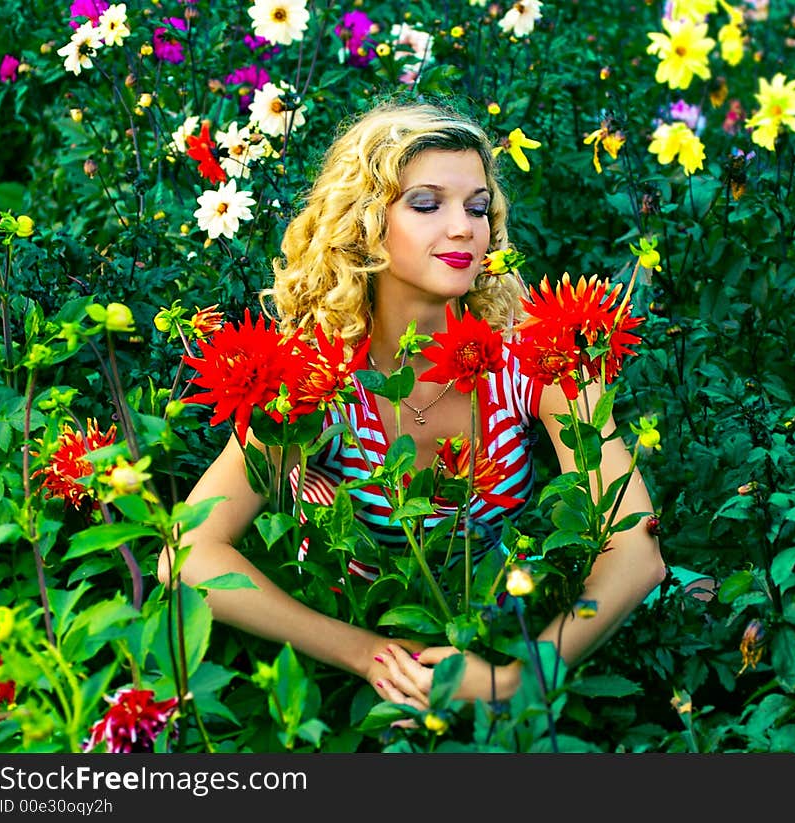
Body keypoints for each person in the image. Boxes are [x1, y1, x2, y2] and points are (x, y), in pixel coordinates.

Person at [158, 100, 667, 711]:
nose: (463, 228)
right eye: (427, 205)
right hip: (373, 653)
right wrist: (367, 654)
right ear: (365, 222)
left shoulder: (538, 348)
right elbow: (184, 555)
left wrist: (523, 675)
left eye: (478, 208)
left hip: (525, 630)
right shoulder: (314, 374)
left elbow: (637, 550)